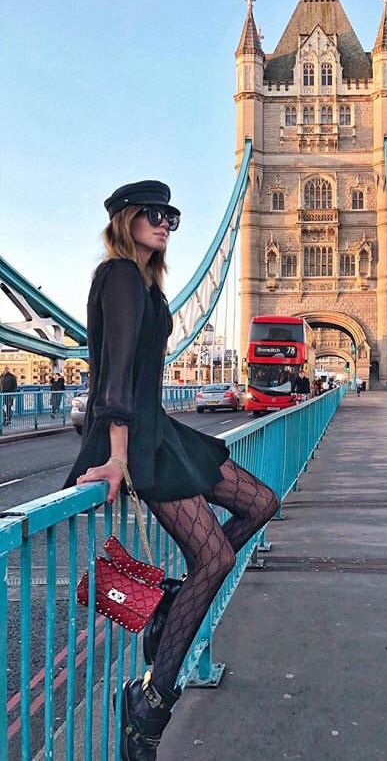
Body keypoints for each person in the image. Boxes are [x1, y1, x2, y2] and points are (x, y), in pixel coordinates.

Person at [63, 180, 279, 760]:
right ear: (125, 218)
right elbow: (113, 373)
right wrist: (115, 455)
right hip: (137, 439)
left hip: (159, 431)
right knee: (216, 557)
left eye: (172, 218)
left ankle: (173, 601)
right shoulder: (119, 276)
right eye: (154, 215)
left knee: (263, 504)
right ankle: (151, 702)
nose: (164, 224)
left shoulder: (148, 287)